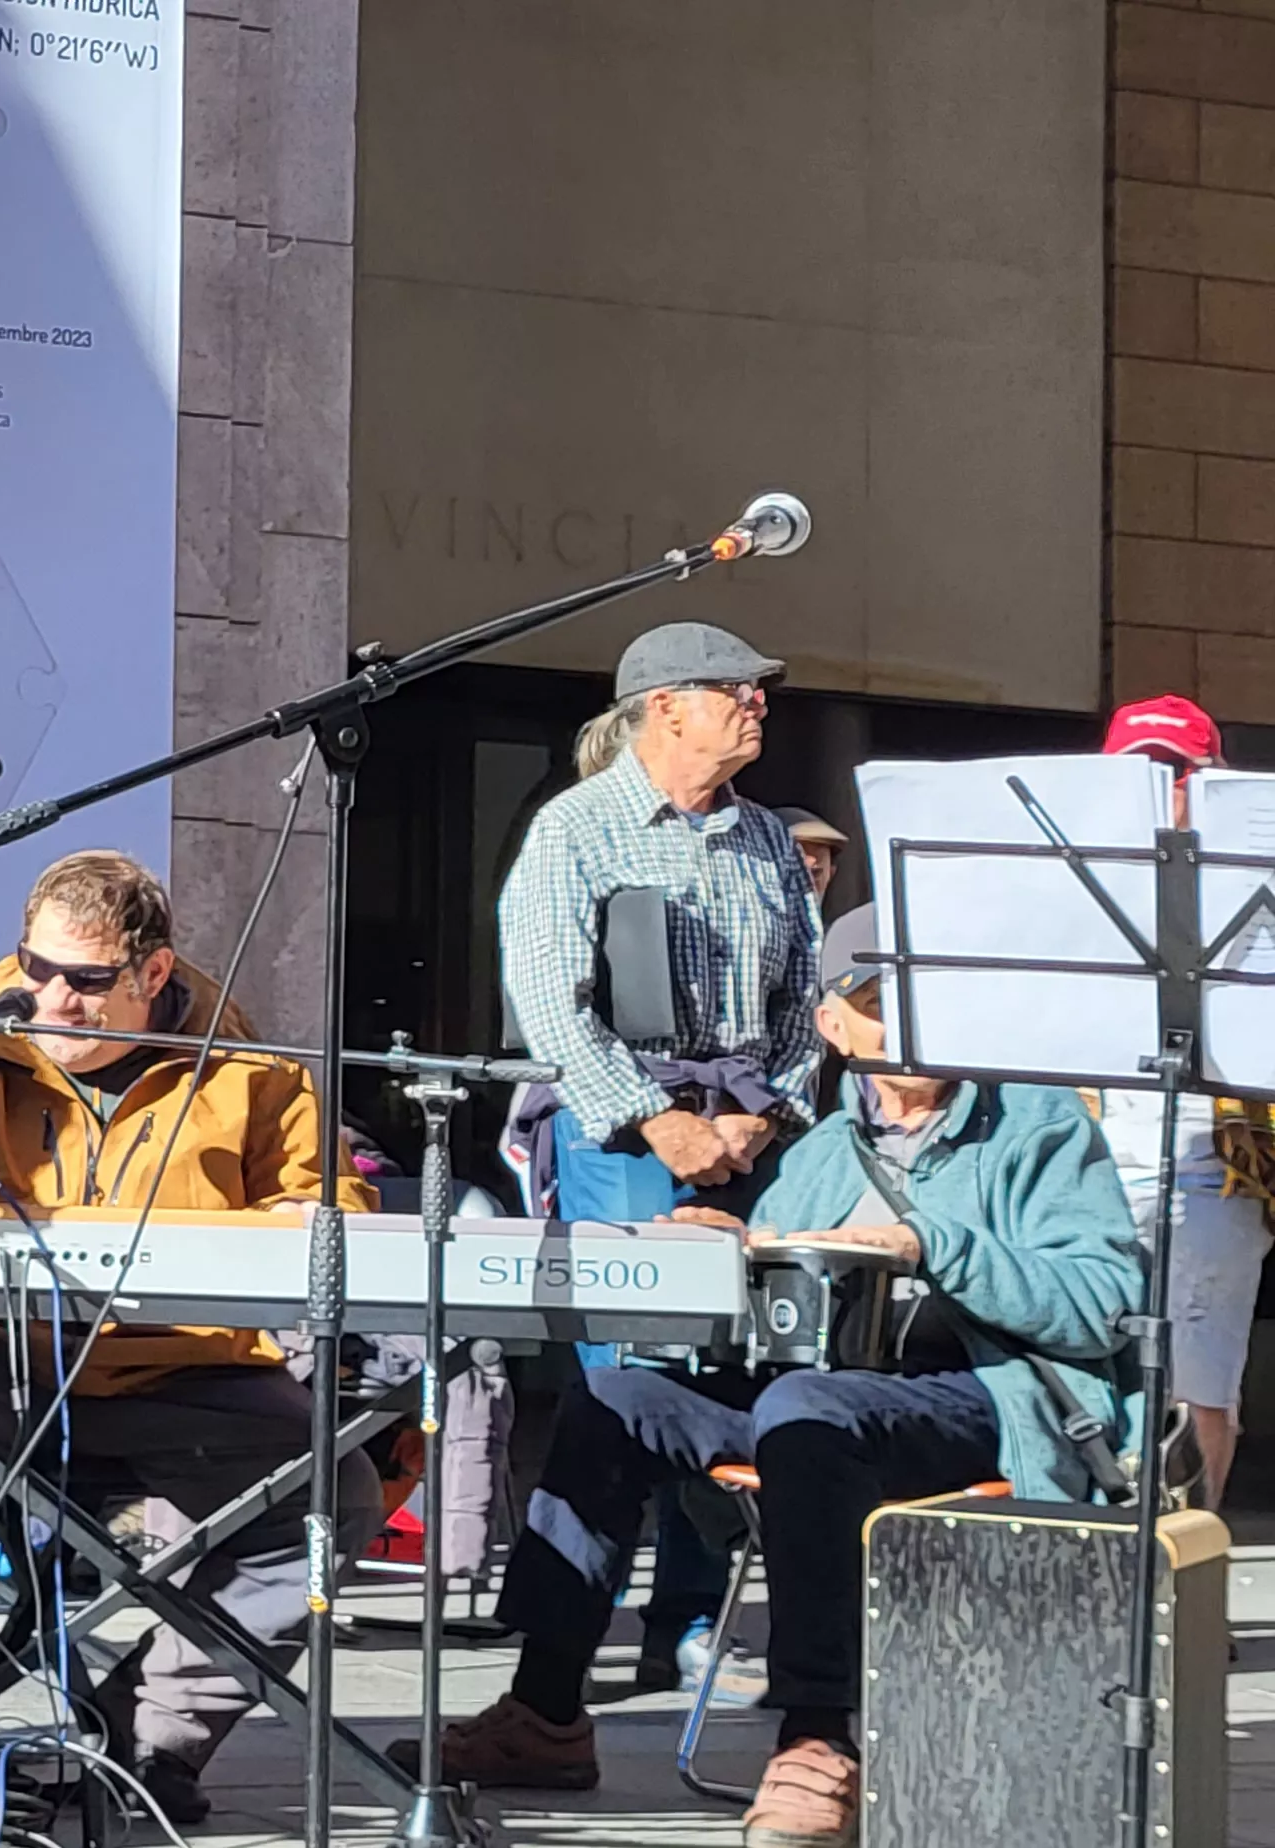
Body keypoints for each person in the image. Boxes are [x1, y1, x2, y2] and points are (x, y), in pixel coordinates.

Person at [405, 904, 1140, 1848]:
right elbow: (775, 1320)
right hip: (829, 1403)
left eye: (932, 998)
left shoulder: (1035, 1124)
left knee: (803, 1408)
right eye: (881, 1002)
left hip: (994, 1399)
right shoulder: (828, 1148)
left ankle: (816, 1738)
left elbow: (1103, 1303)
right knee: (618, 1395)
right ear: (832, 1024)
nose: (912, 1024)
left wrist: (932, 1245)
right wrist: (731, 1258)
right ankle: (546, 1708)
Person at [0, 850, 381, 1826]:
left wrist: (306, 1222)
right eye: (34, 969)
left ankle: (148, 1744)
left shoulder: (255, 1075)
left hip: (179, 1366)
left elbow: (330, 1208)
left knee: (337, 1487)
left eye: (84, 982)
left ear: (152, 974)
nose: (51, 1000)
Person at [498, 620, 820, 1224]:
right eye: (738, 691)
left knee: (750, 1313)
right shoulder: (577, 825)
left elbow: (805, 994)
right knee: (637, 1316)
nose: (759, 706)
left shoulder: (768, 837)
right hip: (622, 1136)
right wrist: (655, 1118)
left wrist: (770, 1111)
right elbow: (548, 1000)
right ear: (666, 706)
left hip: (743, 1133)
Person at [1091, 694, 1270, 1504]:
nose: (1160, 788)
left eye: (1176, 772)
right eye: (1140, 772)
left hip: (1212, 1148)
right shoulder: (1064, 875)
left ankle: (1179, 1584)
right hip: (1082, 1145)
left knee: (1198, 1370)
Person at [774, 807, 845, 919]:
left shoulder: (842, 934)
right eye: (791, 872)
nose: (806, 886)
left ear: (830, 875)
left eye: (815, 873)